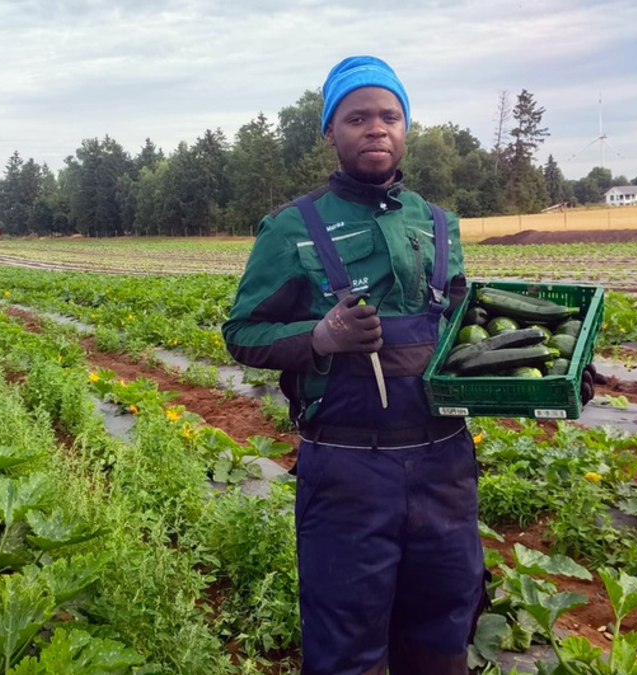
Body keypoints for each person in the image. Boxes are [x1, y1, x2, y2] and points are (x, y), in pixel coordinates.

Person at [223, 55, 596, 675]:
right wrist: (320, 334)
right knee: (347, 642)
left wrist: (553, 373)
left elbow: (463, 335)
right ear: (331, 132)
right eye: (358, 117)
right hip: (347, 471)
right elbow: (243, 333)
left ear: (406, 127)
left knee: (444, 628)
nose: (376, 128)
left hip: (443, 465)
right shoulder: (293, 228)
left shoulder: (437, 223)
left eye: (390, 116)